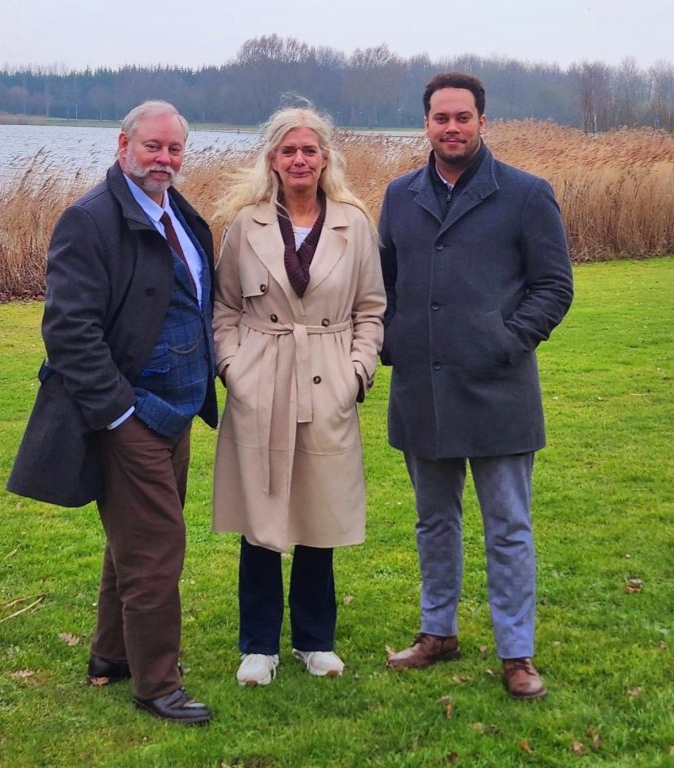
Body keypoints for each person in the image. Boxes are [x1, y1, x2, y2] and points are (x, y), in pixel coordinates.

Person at [7, 100, 217, 724]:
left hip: (177, 410)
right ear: (124, 145)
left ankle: (112, 653)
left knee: (132, 540)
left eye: (174, 149)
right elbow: (68, 331)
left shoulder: (177, 211)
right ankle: (158, 685)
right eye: (153, 146)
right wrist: (121, 416)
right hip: (132, 415)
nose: (164, 159)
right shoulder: (90, 220)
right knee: (157, 549)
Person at [379, 73, 573, 699]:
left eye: (463, 117)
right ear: (426, 124)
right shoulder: (399, 196)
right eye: (441, 118)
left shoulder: (525, 194)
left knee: (508, 527)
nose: (452, 127)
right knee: (433, 522)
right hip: (422, 389)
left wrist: (504, 342)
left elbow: (554, 286)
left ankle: (517, 652)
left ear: (482, 122)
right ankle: (438, 632)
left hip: (499, 390)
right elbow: (384, 285)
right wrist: (393, 342)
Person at [212, 106, 385, 687]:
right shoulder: (246, 225)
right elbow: (224, 307)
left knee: (318, 512)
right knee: (260, 514)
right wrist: (233, 368)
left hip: (328, 378)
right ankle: (258, 645)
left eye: (309, 150)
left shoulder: (354, 224)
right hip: (261, 378)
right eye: (288, 151)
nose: (299, 160)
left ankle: (315, 640)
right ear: (272, 160)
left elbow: (371, 309)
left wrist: (356, 372)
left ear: (326, 157)